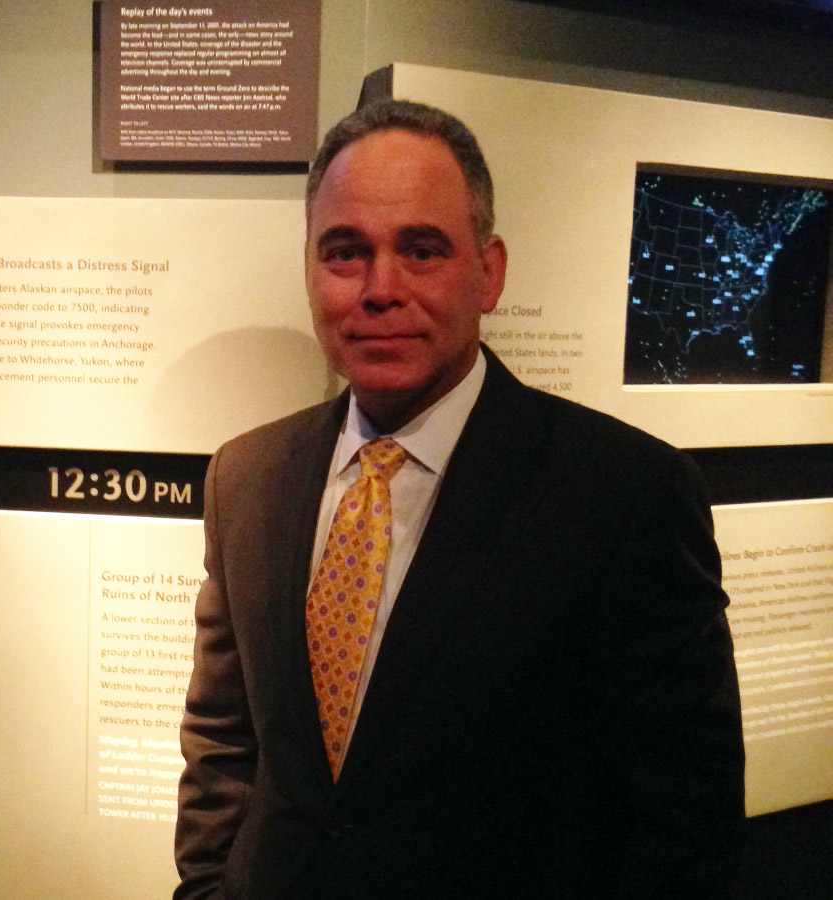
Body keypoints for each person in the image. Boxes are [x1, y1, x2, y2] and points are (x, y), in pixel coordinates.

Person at [174, 99, 745, 900]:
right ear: (309, 269)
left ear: (489, 272)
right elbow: (224, 744)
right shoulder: (247, 478)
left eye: (421, 250)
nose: (380, 288)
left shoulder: (625, 496)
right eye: (345, 252)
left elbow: (683, 823)